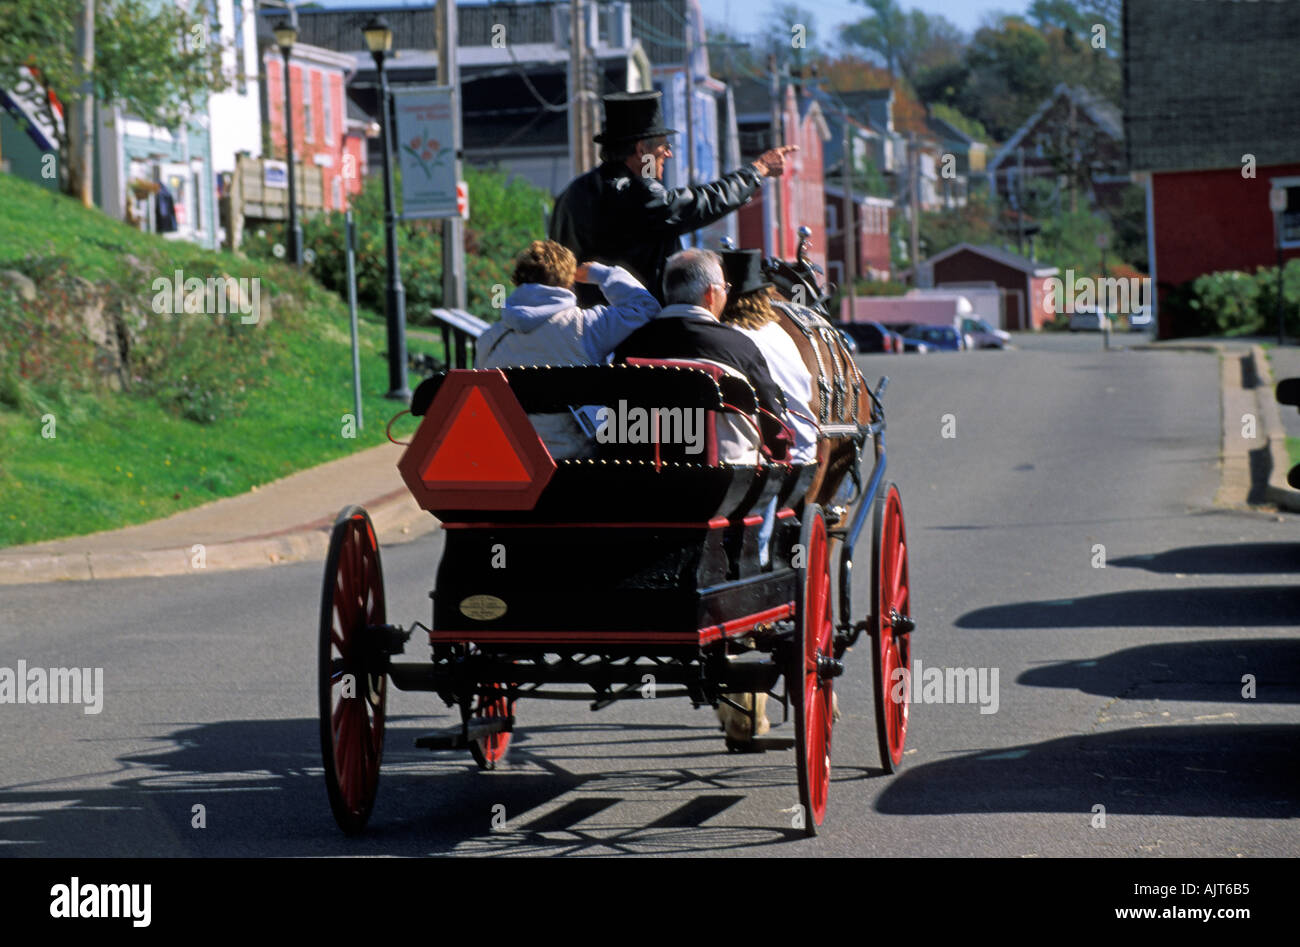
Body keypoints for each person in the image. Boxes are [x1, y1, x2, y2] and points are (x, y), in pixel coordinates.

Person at [549, 91, 797, 306]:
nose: (669, 154)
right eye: (663, 146)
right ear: (641, 150)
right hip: (640, 331)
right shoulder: (637, 194)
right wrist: (758, 169)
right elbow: (702, 203)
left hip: (582, 330)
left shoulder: (570, 194)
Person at [476, 239, 660, 459]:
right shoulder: (587, 327)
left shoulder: (488, 340)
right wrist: (602, 275)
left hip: (512, 462)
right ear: (569, 283)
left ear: (519, 281)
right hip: (577, 462)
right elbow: (646, 306)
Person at [613, 248, 793, 463]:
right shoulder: (741, 348)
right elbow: (775, 427)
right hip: (724, 485)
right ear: (710, 294)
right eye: (725, 288)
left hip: (645, 481)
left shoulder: (631, 346)